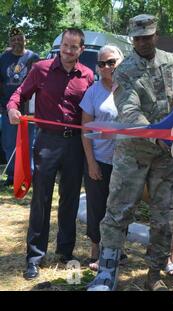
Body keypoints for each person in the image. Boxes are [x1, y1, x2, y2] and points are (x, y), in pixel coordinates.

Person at [87, 14, 173, 291]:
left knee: (164, 217)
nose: (142, 42)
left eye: (147, 36)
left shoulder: (171, 61)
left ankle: (154, 274)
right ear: (131, 39)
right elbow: (129, 112)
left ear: (156, 35)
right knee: (118, 213)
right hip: (133, 154)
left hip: (165, 158)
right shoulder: (124, 70)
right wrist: (158, 138)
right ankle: (106, 273)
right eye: (137, 38)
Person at [7, 28, 94, 280]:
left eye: (73, 47)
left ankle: (65, 252)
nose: (68, 51)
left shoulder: (88, 75)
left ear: (81, 50)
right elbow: (18, 95)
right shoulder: (40, 69)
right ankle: (34, 256)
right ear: (60, 46)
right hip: (46, 143)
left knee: (70, 199)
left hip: (75, 146)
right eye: (65, 45)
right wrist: (13, 109)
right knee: (41, 199)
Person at [80, 45, 124, 270]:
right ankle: (96, 248)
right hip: (100, 158)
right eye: (102, 63)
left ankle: (117, 248)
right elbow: (85, 129)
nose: (107, 67)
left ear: (120, 62)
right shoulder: (93, 92)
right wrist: (91, 162)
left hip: (125, 162)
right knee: (98, 206)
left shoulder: (130, 89)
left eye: (111, 62)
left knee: (120, 206)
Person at [0, 27, 39, 186]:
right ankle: (11, 176)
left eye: (19, 38)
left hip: (28, 110)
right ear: (10, 41)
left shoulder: (33, 58)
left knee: (29, 143)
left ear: (25, 39)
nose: (17, 42)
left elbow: (39, 82)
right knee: (9, 143)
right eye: (13, 39)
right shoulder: (2, 58)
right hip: (7, 110)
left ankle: (28, 176)